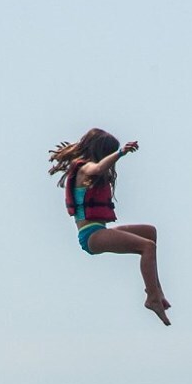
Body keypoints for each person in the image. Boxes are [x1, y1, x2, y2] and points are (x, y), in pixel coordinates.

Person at [49, 128, 172, 326]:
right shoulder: (84, 168)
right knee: (147, 246)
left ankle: (156, 291)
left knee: (150, 232)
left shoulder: (89, 169)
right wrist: (121, 153)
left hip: (100, 230)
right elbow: (97, 169)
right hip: (91, 236)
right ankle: (152, 297)